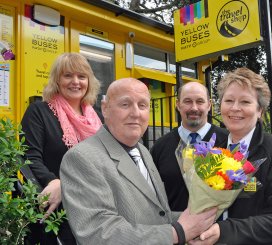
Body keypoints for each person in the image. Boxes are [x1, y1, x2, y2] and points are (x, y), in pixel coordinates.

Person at [59, 78, 217, 244]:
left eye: (142, 105)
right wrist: (179, 232)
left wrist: (200, 222)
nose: (135, 113)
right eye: (125, 104)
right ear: (105, 108)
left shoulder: (142, 151)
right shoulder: (82, 158)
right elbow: (100, 234)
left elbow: (159, 216)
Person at [188, 67, 272, 245]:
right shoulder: (212, 150)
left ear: (260, 111)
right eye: (228, 100)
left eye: (245, 102)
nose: (235, 108)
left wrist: (225, 231)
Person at [21, 52, 102, 244]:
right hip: (56, 211)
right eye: (68, 76)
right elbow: (29, 155)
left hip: (96, 207)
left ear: (89, 81)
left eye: (81, 76)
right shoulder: (39, 111)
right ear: (57, 80)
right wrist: (55, 182)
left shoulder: (98, 118)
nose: (76, 82)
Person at [151, 81, 228, 211]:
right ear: (177, 104)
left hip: (219, 229)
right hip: (175, 228)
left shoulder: (228, 142)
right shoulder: (160, 147)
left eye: (200, 101)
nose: (194, 108)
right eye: (187, 101)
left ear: (209, 105)